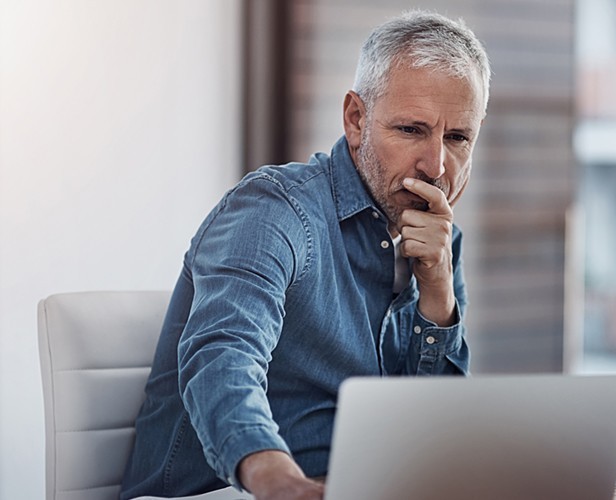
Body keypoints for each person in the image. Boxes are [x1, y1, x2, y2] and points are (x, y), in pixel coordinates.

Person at [121, 9, 490, 500]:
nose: (436, 166)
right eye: (410, 130)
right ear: (356, 119)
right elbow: (223, 355)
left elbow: (432, 437)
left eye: (458, 137)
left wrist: (438, 295)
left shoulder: (440, 242)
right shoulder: (275, 209)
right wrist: (277, 480)